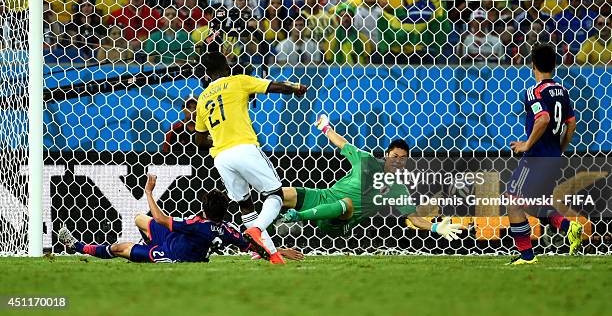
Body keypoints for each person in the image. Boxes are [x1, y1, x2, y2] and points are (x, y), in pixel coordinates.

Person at [194, 51, 307, 264]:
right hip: (244, 148)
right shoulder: (238, 81)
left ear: (207, 73)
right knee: (276, 195)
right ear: (226, 66)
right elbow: (273, 86)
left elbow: (199, 142)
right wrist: (296, 88)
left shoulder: (202, 99)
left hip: (221, 157)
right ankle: (256, 229)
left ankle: (273, 255)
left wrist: (220, 136)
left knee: (245, 205)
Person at [279, 116, 463, 242]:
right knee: (279, 195)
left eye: (403, 158)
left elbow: (414, 218)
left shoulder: (398, 189)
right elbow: (342, 143)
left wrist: (435, 228)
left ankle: (298, 217)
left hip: (341, 221)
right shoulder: (365, 160)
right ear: (386, 155)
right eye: (394, 156)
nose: (398, 161)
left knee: (347, 203)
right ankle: (261, 242)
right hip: (322, 197)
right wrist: (325, 127)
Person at [58, 175, 254, 263]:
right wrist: (274, 251)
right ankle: (147, 243)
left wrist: (149, 192)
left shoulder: (197, 225)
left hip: (171, 253)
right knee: (139, 219)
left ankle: (77, 246)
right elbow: (248, 245)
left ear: (204, 209)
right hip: (176, 238)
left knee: (120, 248)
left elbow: (160, 219)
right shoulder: (228, 229)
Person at [506, 43, 581, 265]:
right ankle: (569, 226)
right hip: (552, 157)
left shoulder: (534, 91)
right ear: (555, 65)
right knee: (532, 204)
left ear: (533, 65)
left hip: (536, 157)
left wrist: (527, 145)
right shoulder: (563, 91)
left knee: (511, 200)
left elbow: (544, 118)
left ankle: (527, 256)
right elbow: (572, 123)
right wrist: (560, 149)